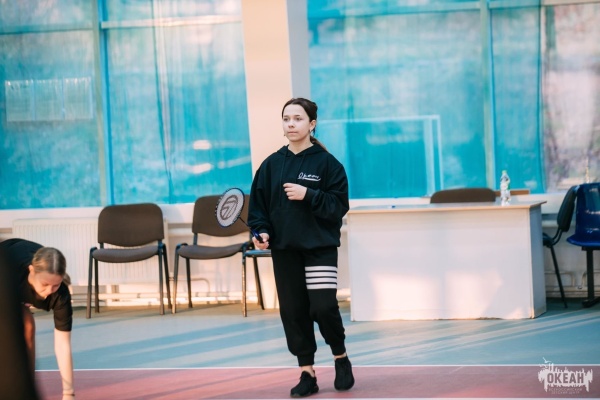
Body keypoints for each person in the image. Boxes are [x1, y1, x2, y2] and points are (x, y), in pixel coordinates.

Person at [248, 98, 355, 397]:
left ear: (312, 124)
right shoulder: (270, 165)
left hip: (319, 248)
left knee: (322, 307)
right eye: (286, 119)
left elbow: (338, 206)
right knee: (293, 312)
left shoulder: (328, 164)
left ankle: (340, 357)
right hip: (286, 251)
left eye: (297, 118)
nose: (291, 124)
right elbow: (258, 211)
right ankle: (307, 373)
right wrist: (261, 232)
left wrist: (309, 194)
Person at [0, 238, 75, 399]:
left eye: (55, 285)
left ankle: (26, 385)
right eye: (45, 284)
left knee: (27, 326)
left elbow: (62, 345)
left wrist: (69, 393)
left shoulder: (60, 296)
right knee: (25, 324)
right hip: (4, 269)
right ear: (32, 270)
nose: (49, 291)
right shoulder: (13, 273)